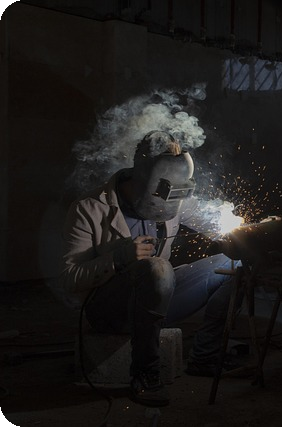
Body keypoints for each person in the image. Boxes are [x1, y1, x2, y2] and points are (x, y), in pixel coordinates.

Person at [57, 130, 238, 407]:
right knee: (157, 268)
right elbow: (70, 278)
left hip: (156, 304)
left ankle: (206, 357)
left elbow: (217, 223)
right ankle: (145, 373)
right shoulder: (89, 209)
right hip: (110, 311)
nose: (168, 202)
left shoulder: (175, 201)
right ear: (141, 178)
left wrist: (250, 233)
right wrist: (119, 258)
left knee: (233, 261)